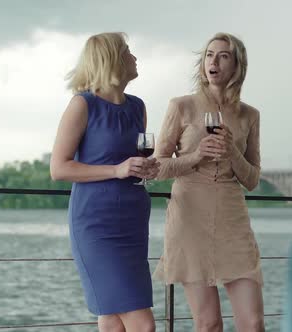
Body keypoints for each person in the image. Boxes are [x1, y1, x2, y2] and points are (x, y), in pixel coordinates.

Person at [153, 32, 265, 332]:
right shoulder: (181, 106)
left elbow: (252, 179)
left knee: (253, 323)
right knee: (209, 323)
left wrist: (232, 154)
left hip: (233, 219)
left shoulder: (249, 115)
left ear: (236, 66)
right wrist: (195, 156)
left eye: (223, 56)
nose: (213, 61)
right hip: (189, 218)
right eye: (208, 55)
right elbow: (157, 167)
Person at [50, 32, 159, 332]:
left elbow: (130, 160)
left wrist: (144, 168)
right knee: (143, 325)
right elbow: (59, 168)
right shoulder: (82, 105)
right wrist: (116, 170)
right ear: (112, 59)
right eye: (127, 51)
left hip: (133, 222)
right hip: (97, 225)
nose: (134, 57)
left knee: (112, 322)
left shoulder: (138, 107)